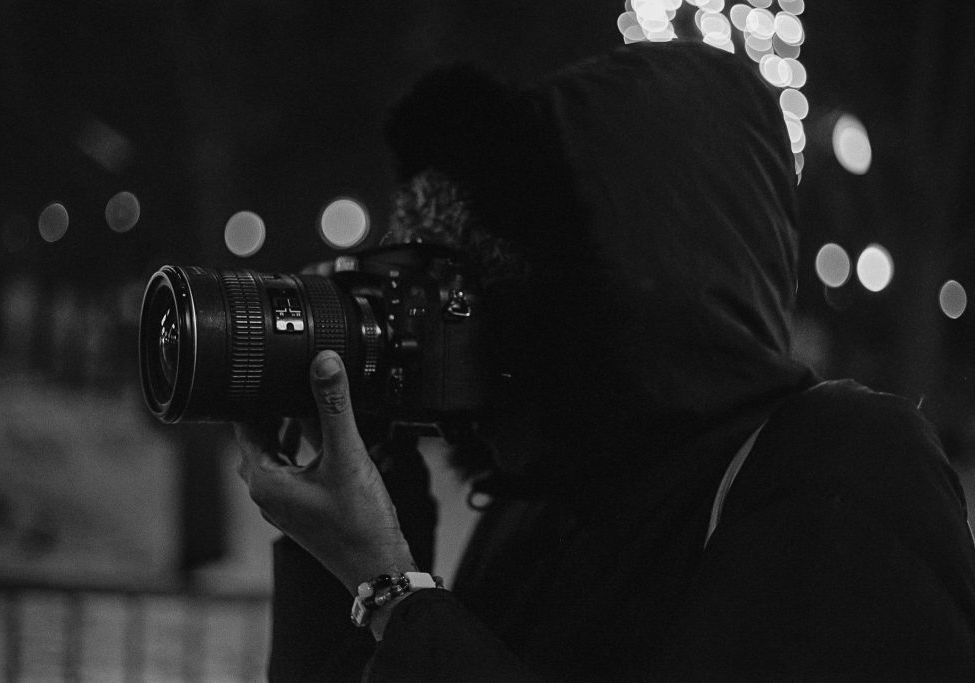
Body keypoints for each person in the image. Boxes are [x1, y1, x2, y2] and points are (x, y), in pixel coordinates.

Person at [235, 40, 975, 680]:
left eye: (478, 277)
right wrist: (345, 554)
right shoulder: (544, 503)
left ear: (606, 280)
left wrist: (392, 587)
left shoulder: (843, 467)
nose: (463, 314)